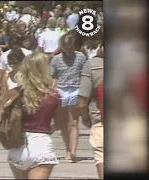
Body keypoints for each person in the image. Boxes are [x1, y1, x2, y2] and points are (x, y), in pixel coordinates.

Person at [7, 52, 60, 179]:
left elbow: (7, 117)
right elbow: (59, 123)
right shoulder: (54, 95)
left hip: (18, 145)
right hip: (41, 143)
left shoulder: (16, 94)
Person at [49, 34, 87, 162]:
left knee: (74, 122)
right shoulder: (56, 59)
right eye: (66, 48)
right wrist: (52, 92)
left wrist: (85, 92)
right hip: (61, 90)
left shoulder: (81, 57)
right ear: (62, 47)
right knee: (63, 123)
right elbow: (53, 77)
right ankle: (67, 149)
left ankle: (73, 151)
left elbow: (85, 75)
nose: (69, 50)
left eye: (71, 47)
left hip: (76, 89)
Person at [77, 46, 104, 179]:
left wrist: (86, 119)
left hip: (101, 122)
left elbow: (82, 100)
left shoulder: (92, 65)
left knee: (102, 157)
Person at [0, 35, 32, 123]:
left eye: (15, 62)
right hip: (9, 107)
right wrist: (0, 112)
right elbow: (3, 95)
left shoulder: (28, 54)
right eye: (10, 63)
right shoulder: (4, 58)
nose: (12, 65)